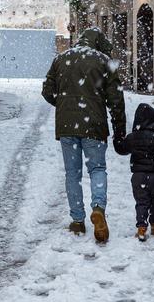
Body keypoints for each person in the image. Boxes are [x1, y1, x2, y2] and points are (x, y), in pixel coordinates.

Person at [42, 27, 126, 243]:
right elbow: (116, 100)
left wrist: (63, 104)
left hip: (67, 126)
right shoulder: (103, 61)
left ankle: (77, 220)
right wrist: (119, 131)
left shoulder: (61, 59)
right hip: (94, 125)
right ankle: (98, 208)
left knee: (72, 173)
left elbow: (47, 91)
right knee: (97, 169)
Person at [113, 103, 154, 242]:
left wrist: (117, 137)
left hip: (138, 176)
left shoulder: (132, 137)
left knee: (141, 202)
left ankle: (141, 227)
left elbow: (121, 149)